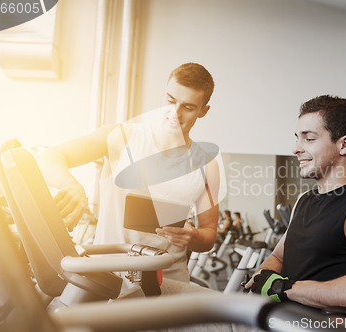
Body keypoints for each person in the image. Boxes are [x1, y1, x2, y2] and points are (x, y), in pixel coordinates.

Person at [37, 63, 220, 288]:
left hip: (168, 282)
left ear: (203, 111)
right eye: (171, 101)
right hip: (108, 277)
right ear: (164, 95)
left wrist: (193, 237)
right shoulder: (122, 137)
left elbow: (209, 235)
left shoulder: (207, 165)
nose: (175, 113)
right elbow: (49, 157)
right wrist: (72, 185)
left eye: (188, 107)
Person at [245, 95, 346, 316]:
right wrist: (263, 279)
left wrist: (284, 288)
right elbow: (279, 257)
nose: (296, 148)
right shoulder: (304, 200)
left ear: (344, 145)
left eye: (308, 139)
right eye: (297, 138)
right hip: (284, 322)